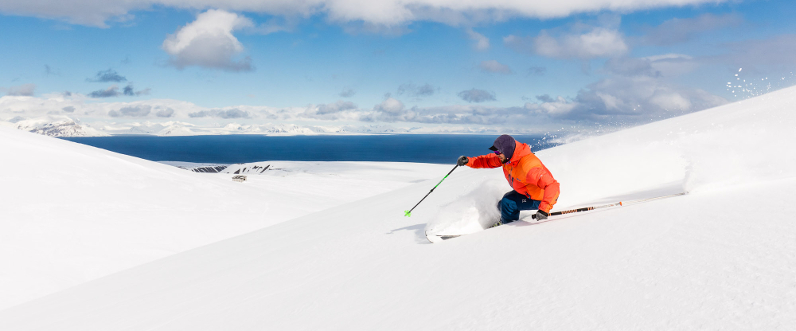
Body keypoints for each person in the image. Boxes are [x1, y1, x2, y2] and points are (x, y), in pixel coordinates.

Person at [457, 134, 560, 225]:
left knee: (508, 203)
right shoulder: (507, 158)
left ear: (507, 150)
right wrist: (468, 161)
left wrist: (544, 209)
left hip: (540, 198)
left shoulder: (528, 167)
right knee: (502, 204)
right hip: (526, 192)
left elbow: (552, 185)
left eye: (498, 152)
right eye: (495, 151)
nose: (497, 154)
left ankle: (507, 229)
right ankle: (505, 220)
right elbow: (486, 161)